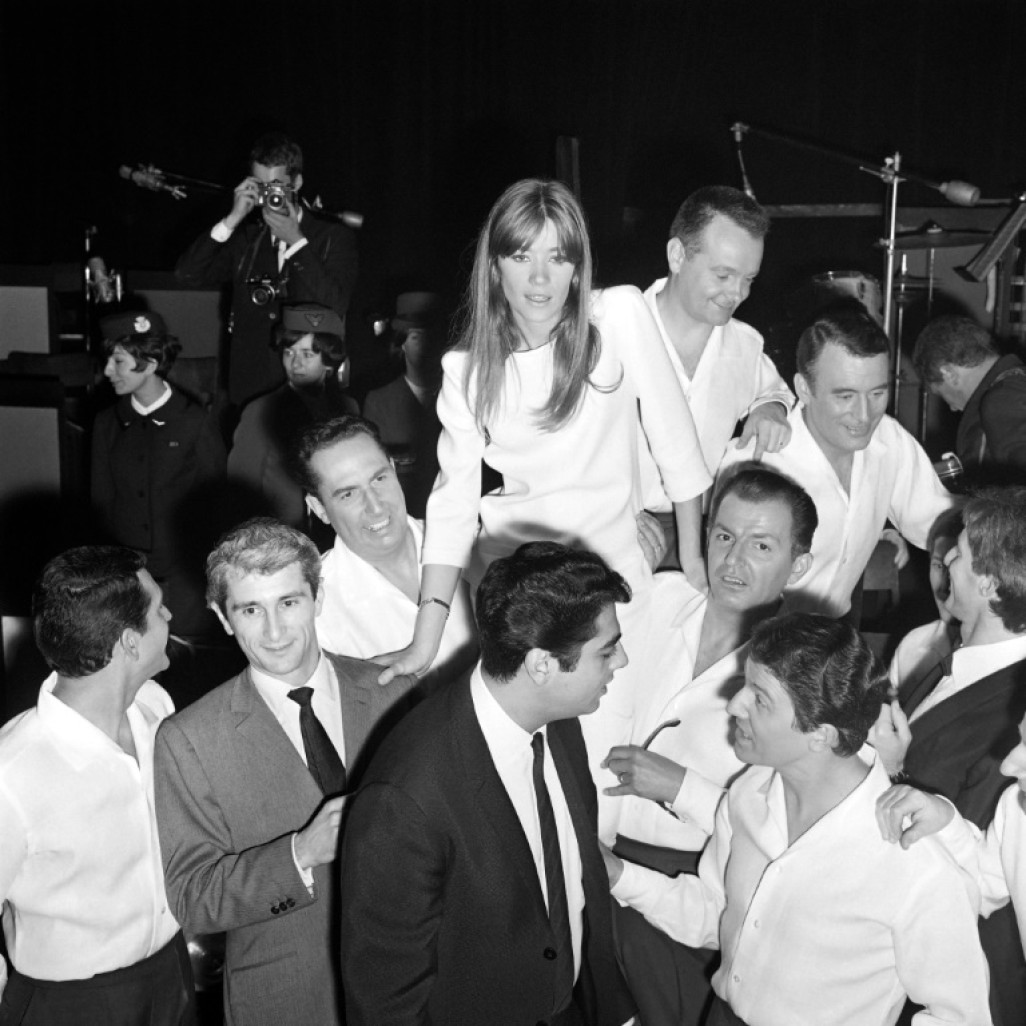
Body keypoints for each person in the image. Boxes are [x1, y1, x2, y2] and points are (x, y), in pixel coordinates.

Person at [378, 179, 711, 834]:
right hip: (520, 606)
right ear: (494, 265)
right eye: (521, 255)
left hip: (611, 600)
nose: (540, 277)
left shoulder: (617, 318)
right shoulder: (467, 370)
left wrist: (693, 563)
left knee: (595, 810)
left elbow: (678, 447)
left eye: (557, 257)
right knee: (517, 806)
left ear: (577, 265)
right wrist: (424, 639)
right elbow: (451, 507)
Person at [607, 613, 992, 1026]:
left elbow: (961, 1016)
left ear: (821, 734)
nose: (734, 704)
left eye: (760, 697)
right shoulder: (748, 794)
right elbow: (718, 916)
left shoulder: (913, 861)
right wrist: (617, 875)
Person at [338, 542, 636, 1026]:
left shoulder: (559, 719)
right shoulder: (406, 798)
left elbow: (579, 888)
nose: (621, 661)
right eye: (606, 649)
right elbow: (384, 1002)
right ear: (541, 665)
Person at [153, 518, 421, 1026]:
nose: (274, 632)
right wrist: (299, 854)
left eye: (289, 603)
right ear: (223, 617)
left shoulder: (395, 692)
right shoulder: (188, 738)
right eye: (251, 610)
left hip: (410, 990)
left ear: (319, 599)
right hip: (288, 1000)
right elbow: (193, 898)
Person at [602, 465, 816, 1026]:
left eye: (761, 545)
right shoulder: (656, 598)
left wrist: (682, 788)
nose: (733, 560)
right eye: (723, 536)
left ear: (798, 565)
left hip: (688, 900)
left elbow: (789, 831)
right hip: (591, 862)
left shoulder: (800, 676)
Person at [0, 547, 194, 1025]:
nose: (169, 615)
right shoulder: (12, 772)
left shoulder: (155, 706)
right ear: (130, 642)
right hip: (68, 1005)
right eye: (158, 608)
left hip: (172, 977)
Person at [872, 487, 1026, 1026]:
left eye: (958, 553)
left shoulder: (1012, 706)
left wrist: (892, 769)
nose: (946, 566)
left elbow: (980, 869)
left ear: (987, 581)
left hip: (963, 973)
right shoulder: (964, 659)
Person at [719, 301, 956, 617]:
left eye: (877, 394)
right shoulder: (756, 457)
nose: (864, 415)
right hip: (752, 639)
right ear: (804, 389)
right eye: (845, 396)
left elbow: (937, 520)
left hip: (832, 636)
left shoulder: (888, 439)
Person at [638, 186, 793, 517]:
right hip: (607, 526)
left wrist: (771, 409)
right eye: (723, 275)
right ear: (677, 255)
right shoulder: (614, 328)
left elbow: (774, 392)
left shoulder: (745, 346)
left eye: (749, 279)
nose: (737, 293)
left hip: (699, 526)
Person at [292, 415, 478, 686]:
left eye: (379, 479)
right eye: (348, 494)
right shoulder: (316, 611)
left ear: (393, 468)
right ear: (319, 508)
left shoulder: (474, 540)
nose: (376, 506)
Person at [175, 132, 358, 406]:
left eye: (276, 185)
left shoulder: (331, 237)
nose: (268, 194)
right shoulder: (248, 239)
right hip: (249, 385)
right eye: (260, 185)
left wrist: (296, 242)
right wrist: (232, 219)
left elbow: (336, 303)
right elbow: (188, 274)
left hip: (306, 386)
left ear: (296, 182)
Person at [91, 309, 226, 637]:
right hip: (125, 577)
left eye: (118, 362)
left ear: (150, 364)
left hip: (184, 578)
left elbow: (215, 502)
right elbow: (100, 503)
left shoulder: (195, 422)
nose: (108, 371)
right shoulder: (107, 423)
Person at [227, 303, 358, 532]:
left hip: (337, 531)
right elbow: (240, 488)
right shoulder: (260, 410)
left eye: (307, 354)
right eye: (289, 352)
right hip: (281, 534)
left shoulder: (348, 407)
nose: (296, 363)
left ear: (329, 360)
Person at [914, 314, 1026, 483]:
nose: (952, 408)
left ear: (949, 374)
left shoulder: (1001, 401)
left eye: (941, 393)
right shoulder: (1016, 382)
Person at [362, 291, 444, 518]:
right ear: (402, 343)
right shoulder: (379, 401)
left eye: (431, 338)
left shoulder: (457, 396)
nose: (426, 347)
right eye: (416, 338)